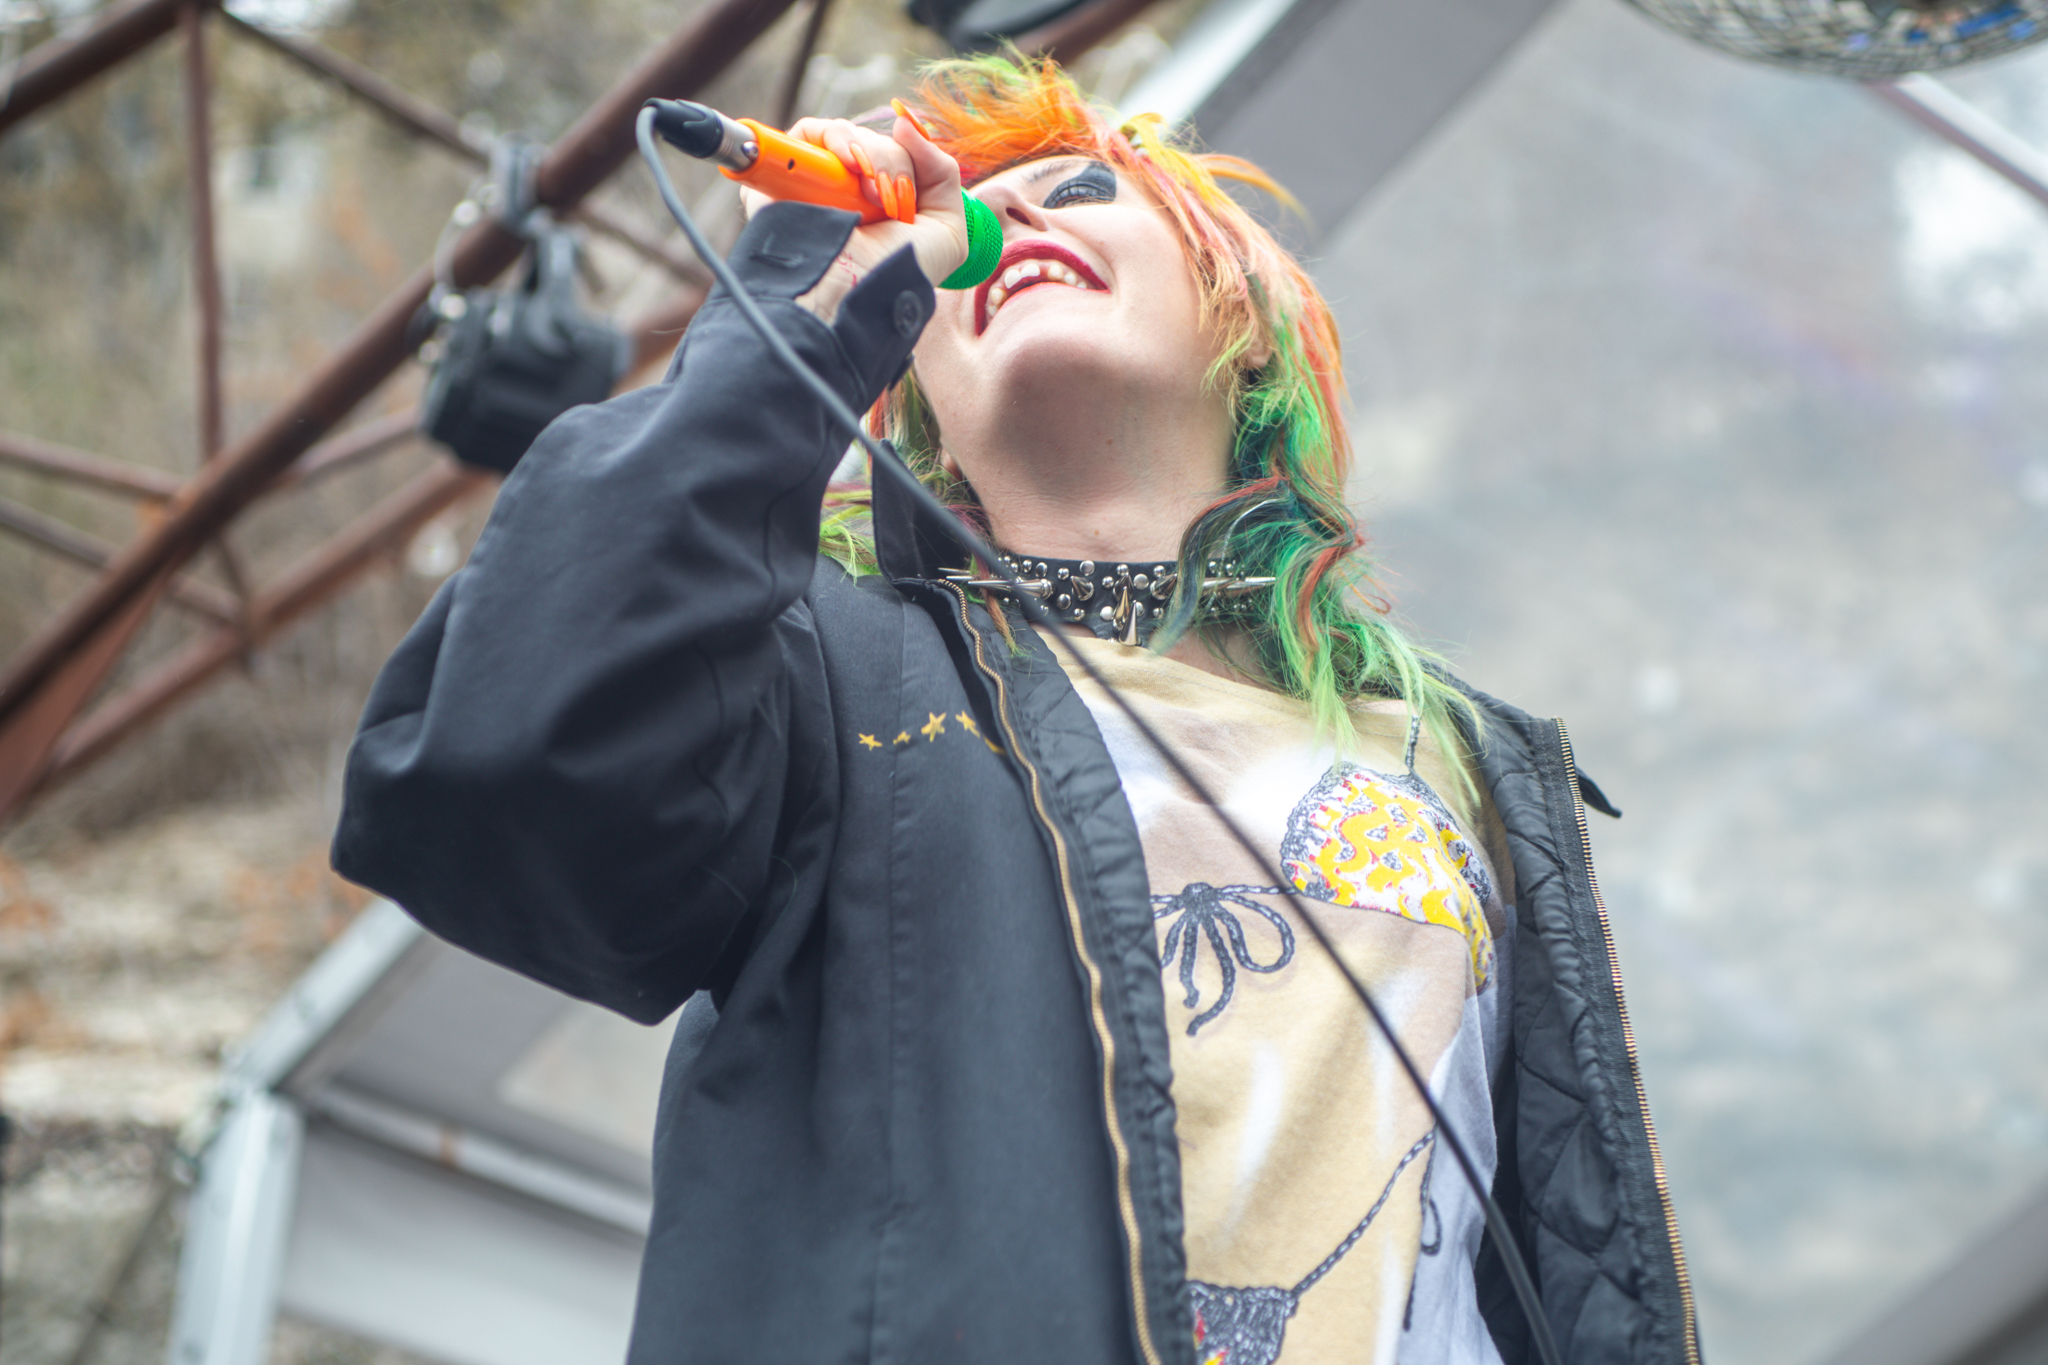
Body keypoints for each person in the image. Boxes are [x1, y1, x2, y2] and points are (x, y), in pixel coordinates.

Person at [333, 54, 1696, 1365]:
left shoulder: (1462, 757)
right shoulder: (826, 675)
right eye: (969, 233)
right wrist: (798, 317)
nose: (1015, 226)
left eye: (1084, 189)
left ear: (1242, 317)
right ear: (915, 396)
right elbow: (500, 771)